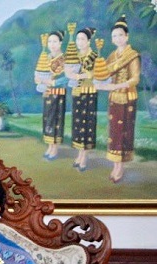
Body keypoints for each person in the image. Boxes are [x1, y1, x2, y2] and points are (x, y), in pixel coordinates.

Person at [99, 15, 140, 183]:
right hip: (114, 99)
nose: (117, 38)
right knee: (114, 132)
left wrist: (117, 86)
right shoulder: (112, 56)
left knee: (124, 133)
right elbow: (105, 74)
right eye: (114, 36)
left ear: (127, 36)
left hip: (127, 98)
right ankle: (115, 165)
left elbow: (135, 79)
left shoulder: (133, 55)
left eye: (120, 35)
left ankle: (121, 166)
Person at [66, 27, 98, 172]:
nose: (80, 42)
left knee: (87, 124)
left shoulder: (94, 55)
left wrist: (79, 76)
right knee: (78, 124)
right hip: (77, 92)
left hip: (89, 92)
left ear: (88, 40)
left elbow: (94, 73)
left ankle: (84, 155)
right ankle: (80, 153)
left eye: (82, 39)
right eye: (78, 39)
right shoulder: (75, 56)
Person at [38, 30, 68, 161]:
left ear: (60, 43)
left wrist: (53, 82)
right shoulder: (46, 57)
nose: (52, 44)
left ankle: (55, 148)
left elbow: (67, 77)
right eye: (50, 41)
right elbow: (39, 74)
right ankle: (50, 145)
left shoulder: (65, 58)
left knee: (56, 120)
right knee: (47, 119)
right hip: (47, 93)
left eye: (55, 41)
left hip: (58, 93)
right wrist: (42, 83)